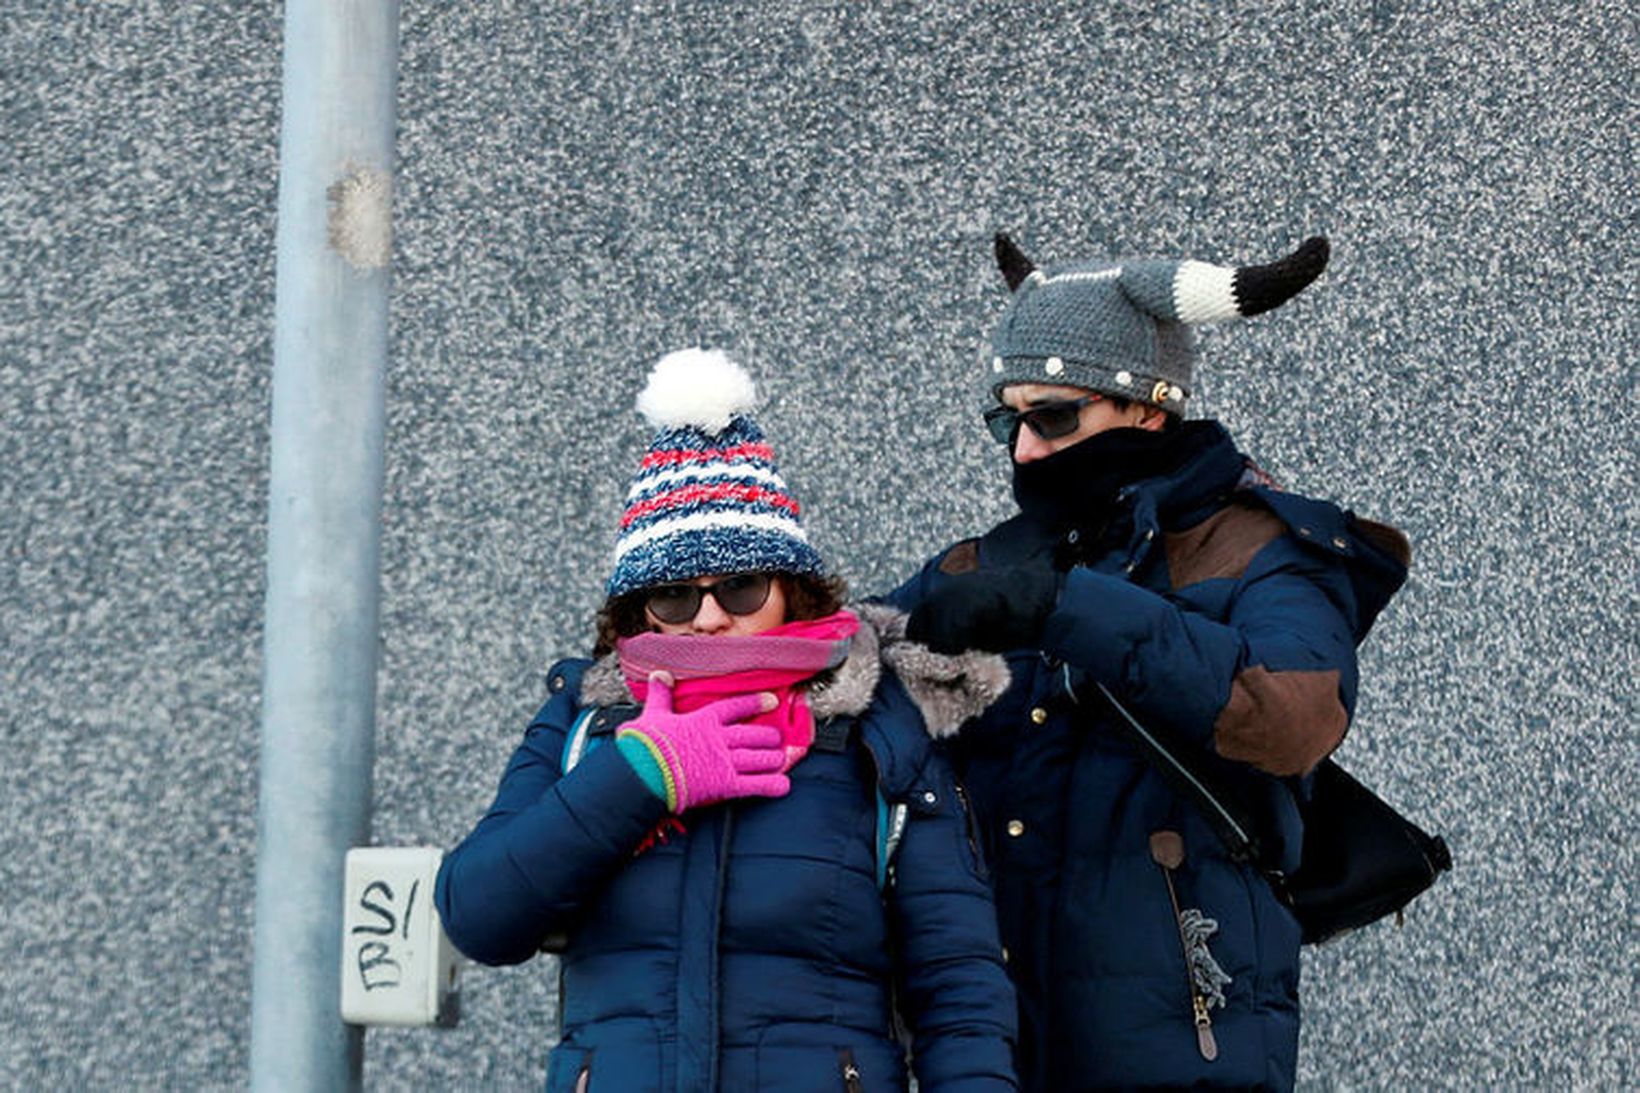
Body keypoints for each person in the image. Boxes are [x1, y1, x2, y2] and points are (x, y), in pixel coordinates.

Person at [888, 234, 1411, 1091]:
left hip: (1182, 1039)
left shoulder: (1264, 548)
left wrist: (1068, 609)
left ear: (1150, 409)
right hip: (988, 1050)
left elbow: (1294, 718)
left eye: (1053, 417)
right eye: (1005, 418)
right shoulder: (981, 563)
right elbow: (825, 663)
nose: (1021, 450)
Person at [435, 348, 1019, 1092]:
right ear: (635, 611)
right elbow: (477, 915)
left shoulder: (876, 723)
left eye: (740, 586)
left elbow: (961, 992)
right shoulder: (585, 723)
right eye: (675, 595)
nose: (709, 618)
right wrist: (640, 774)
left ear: (792, 590)